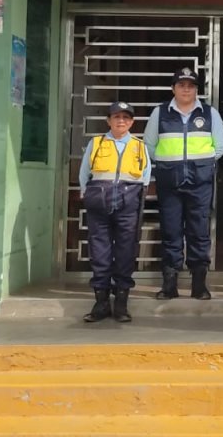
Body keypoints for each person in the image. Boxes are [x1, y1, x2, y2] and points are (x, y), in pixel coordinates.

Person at [144, 67, 223, 301]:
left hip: (200, 183)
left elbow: (221, 146)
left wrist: (201, 164)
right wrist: (167, 164)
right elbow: (149, 145)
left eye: (191, 86)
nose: (186, 90)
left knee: (199, 232)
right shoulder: (160, 113)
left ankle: (199, 285)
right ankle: (169, 284)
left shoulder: (209, 114)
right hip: (169, 182)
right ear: (173, 88)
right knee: (170, 231)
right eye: (181, 85)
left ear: (196, 90)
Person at [77, 101, 151, 323]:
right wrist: (87, 194)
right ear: (108, 120)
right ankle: (101, 303)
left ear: (132, 122)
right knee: (99, 251)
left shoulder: (139, 146)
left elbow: (146, 176)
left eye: (126, 118)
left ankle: (121, 303)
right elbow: (84, 173)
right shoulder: (96, 143)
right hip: (99, 202)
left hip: (128, 203)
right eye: (117, 117)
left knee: (126, 251)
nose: (121, 121)